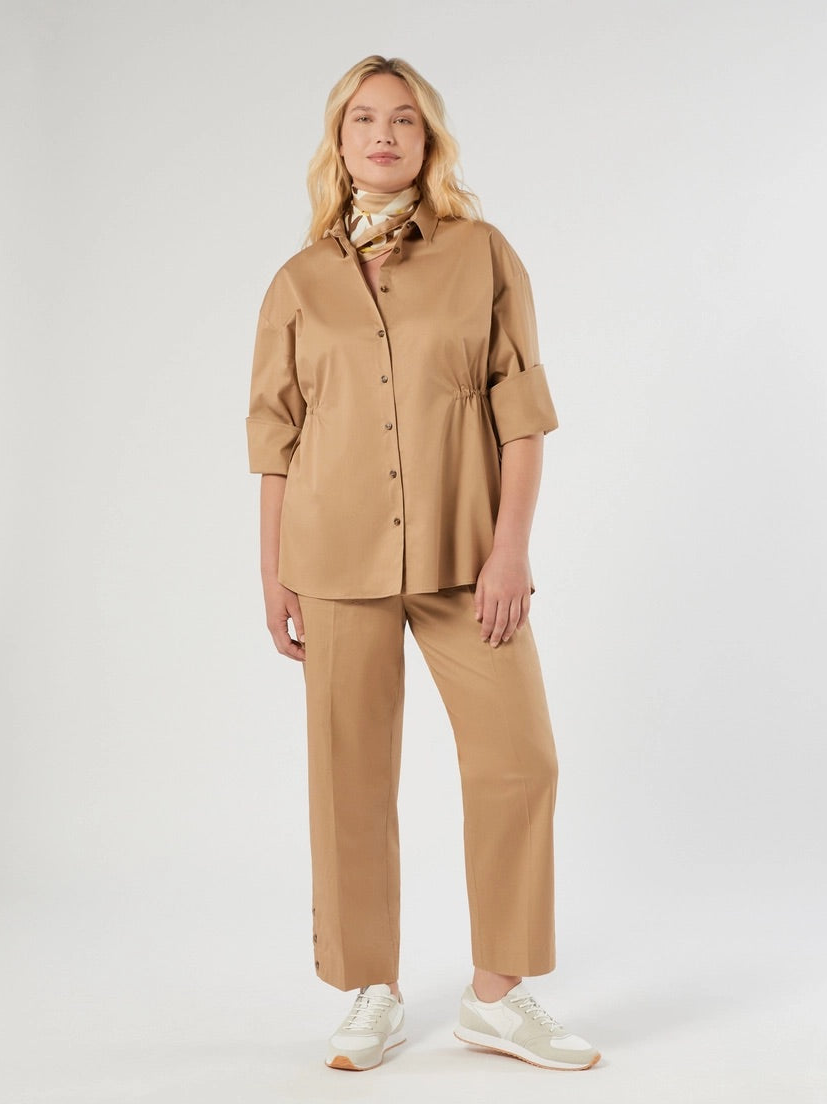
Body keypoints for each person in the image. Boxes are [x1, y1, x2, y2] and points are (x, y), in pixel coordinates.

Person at [246, 54, 600, 1073]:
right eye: (364, 119)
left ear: (428, 139)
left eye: (403, 119)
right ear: (339, 140)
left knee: (520, 760)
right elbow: (274, 438)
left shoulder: (482, 254)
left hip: (465, 558)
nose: (384, 135)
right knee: (348, 778)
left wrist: (511, 550)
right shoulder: (298, 282)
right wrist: (273, 572)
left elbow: (520, 414)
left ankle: (497, 997)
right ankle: (371, 988)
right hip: (331, 559)